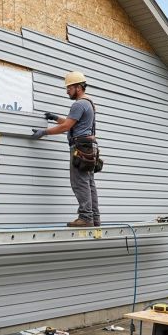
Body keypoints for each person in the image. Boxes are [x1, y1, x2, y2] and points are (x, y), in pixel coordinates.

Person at [30, 71, 100, 227]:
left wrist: (44, 132)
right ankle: (94, 218)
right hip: (89, 147)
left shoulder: (79, 104)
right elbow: (72, 123)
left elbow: (66, 126)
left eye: (69, 88)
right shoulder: (89, 103)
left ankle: (85, 218)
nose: (67, 91)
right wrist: (55, 118)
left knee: (79, 183)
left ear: (78, 87)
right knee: (89, 183)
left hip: (80, 147)